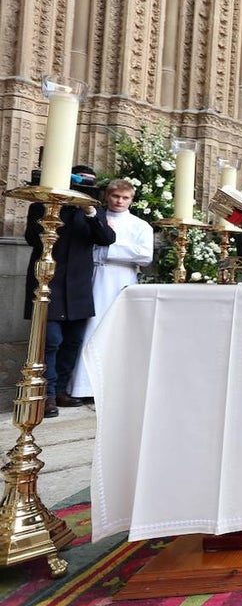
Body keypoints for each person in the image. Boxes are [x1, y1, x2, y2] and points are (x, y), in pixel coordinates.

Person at [24, 165, 116, 417]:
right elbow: (32, 238)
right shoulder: (41, 205)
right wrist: (52, 208)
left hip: (77, 285)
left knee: (73, 341)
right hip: (48, 281)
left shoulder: (93, 211)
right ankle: (48, 394)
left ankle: (62, 389)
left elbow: (106, 238)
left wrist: (90, 212)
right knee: (50, 341)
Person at [70, 179, 154, 401]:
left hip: (121, 279)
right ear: (107, 196)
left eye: (125, 198)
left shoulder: (140, 225)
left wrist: (108, 247)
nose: (120, 201)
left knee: (116, 329)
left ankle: (113, 385)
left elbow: (145, 255)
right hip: (92, 276)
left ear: (131, 200)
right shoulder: (92, 217)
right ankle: (82, 387)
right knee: (90, 327)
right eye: (116, 196)